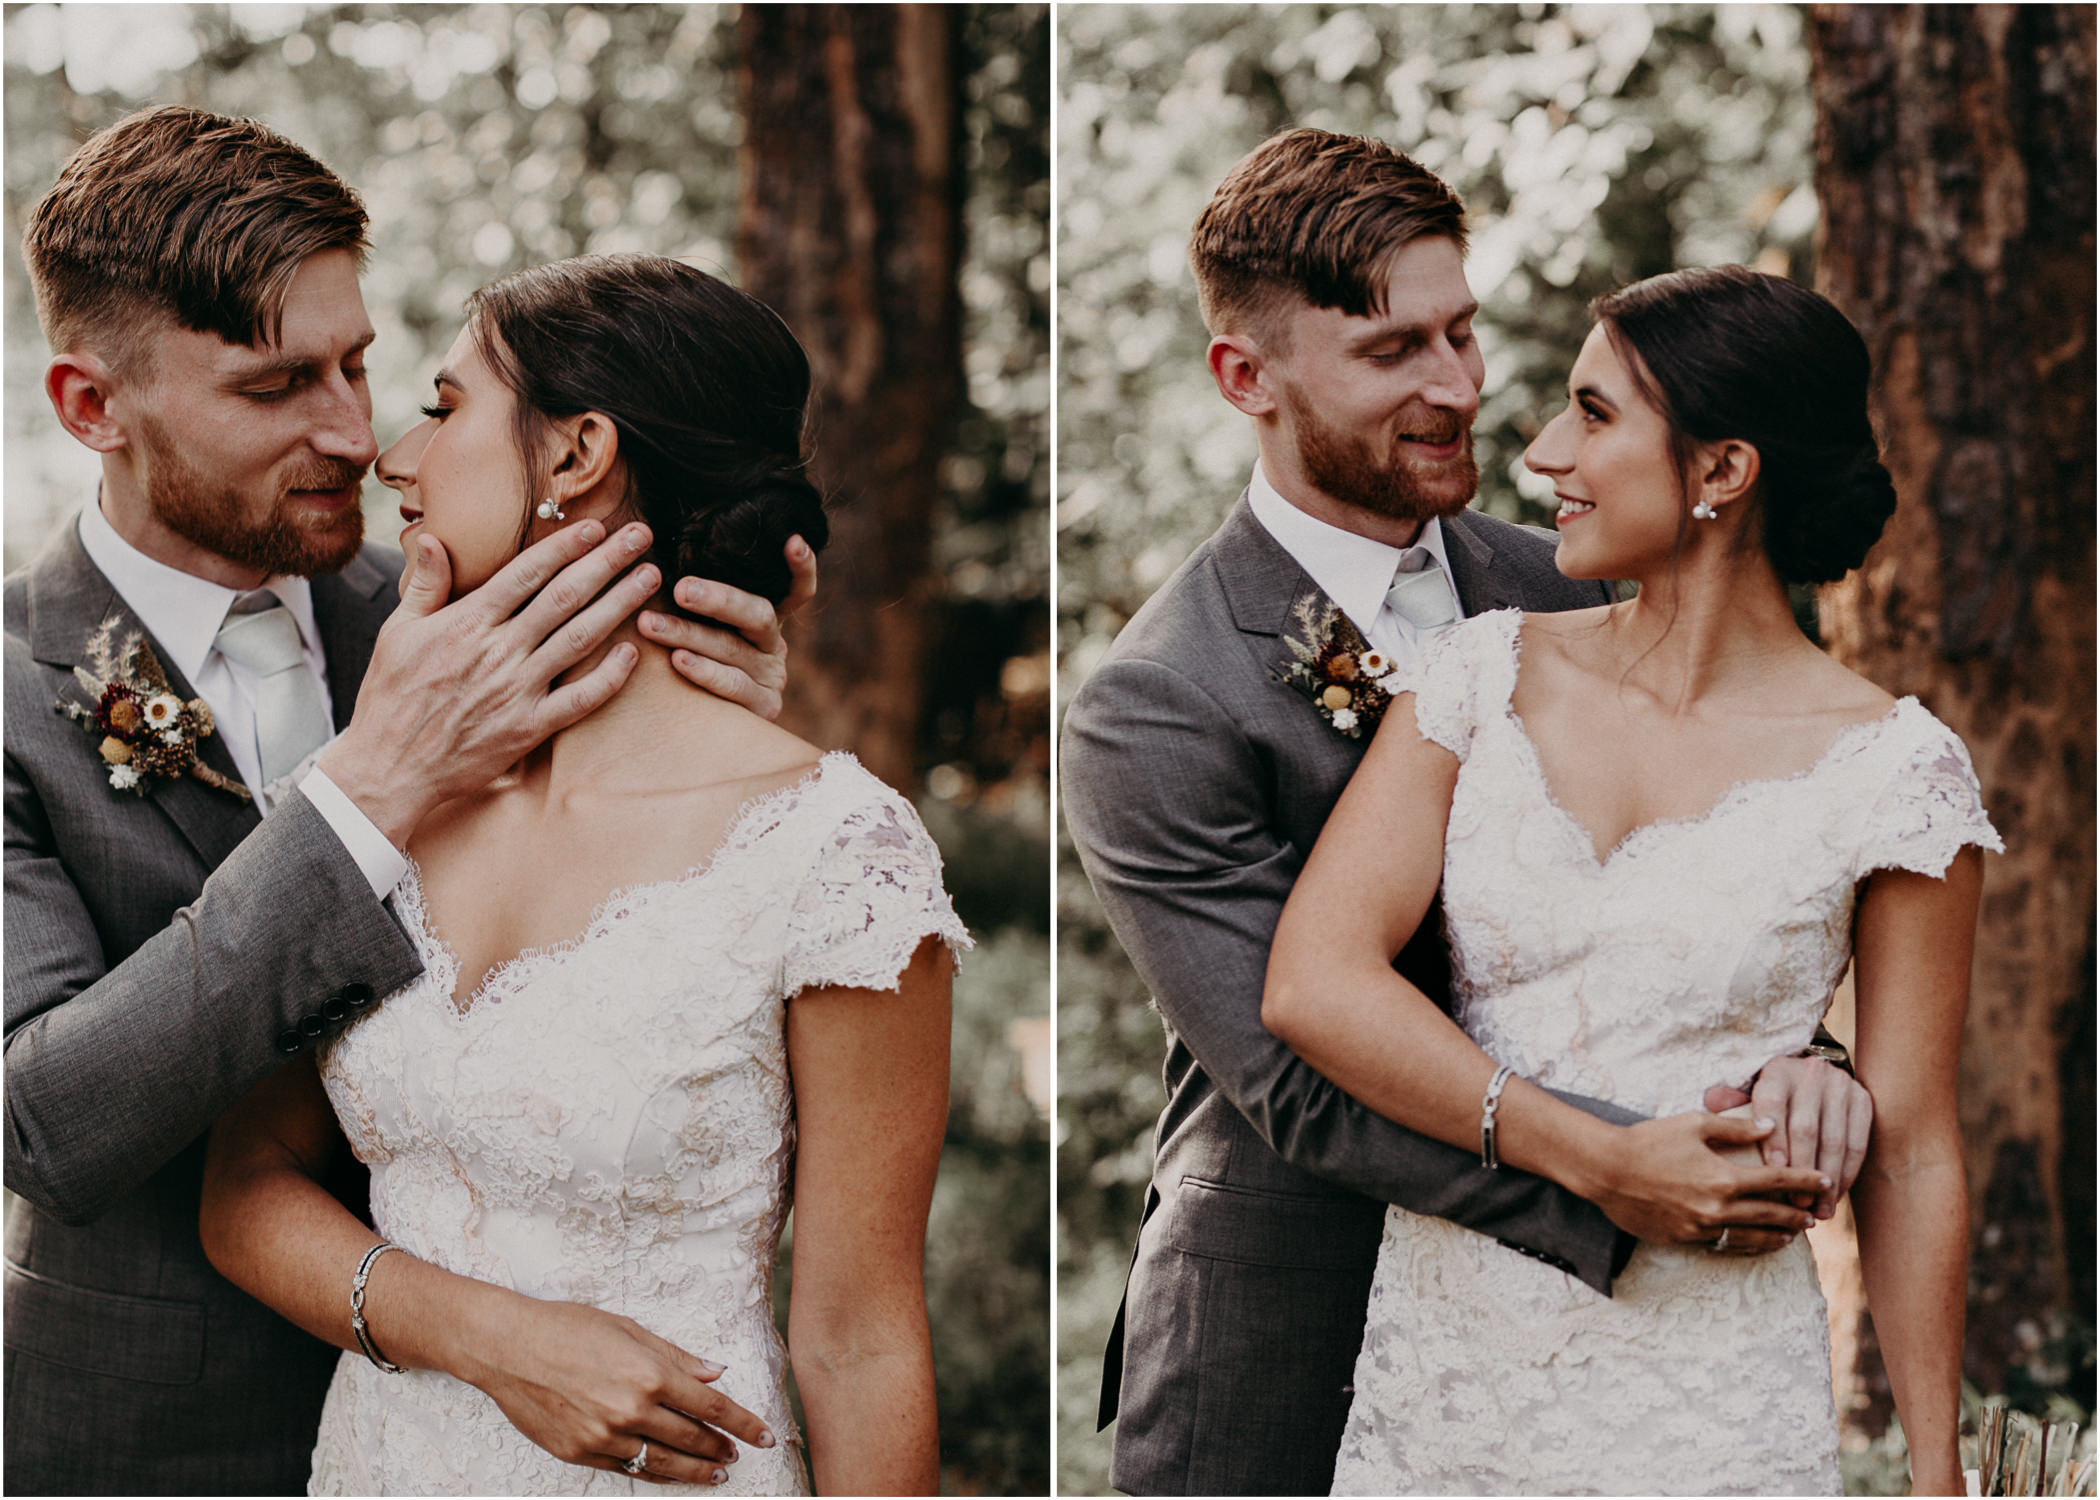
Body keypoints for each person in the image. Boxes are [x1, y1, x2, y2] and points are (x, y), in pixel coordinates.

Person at [3, 106, 812, 1494]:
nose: (353, 434)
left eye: (360, 364)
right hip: (144, 1446)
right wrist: (367, 792)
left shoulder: (481, 615)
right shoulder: (14, 689)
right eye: (274, 389)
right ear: (93, 408)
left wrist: (724, 719)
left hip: (526, 1439)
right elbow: (43, 1121)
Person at [1059, 128, 1872, 1497]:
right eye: (1393, 354)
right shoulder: (1161, 696)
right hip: (1284, 1342)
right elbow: (1298, 1088)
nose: (1458, 389)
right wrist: (1626, 1179)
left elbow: (1698, 899)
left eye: (1463, 333)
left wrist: (1802, 1075)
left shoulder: (1567, 587)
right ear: (1244, 377)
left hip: (1581, 1363)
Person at [199, 252, 965, 1497]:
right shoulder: (377, 800)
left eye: (445, 407)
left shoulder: (831, 856)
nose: (394, 453)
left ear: (575, 456)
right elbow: (243, 1193)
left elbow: (861, 1337)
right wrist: (493, 1339)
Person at [1265, 264, 1997, 1495]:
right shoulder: (1477, 676)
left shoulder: (1897, 773)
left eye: (1595, 415)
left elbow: (1916, 1145)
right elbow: (1314, 982)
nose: (1546, 449)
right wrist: (1590, 1157)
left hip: (1711, 1396)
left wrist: (1937, 1473)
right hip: (1447, 1373)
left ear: (1723, 470)